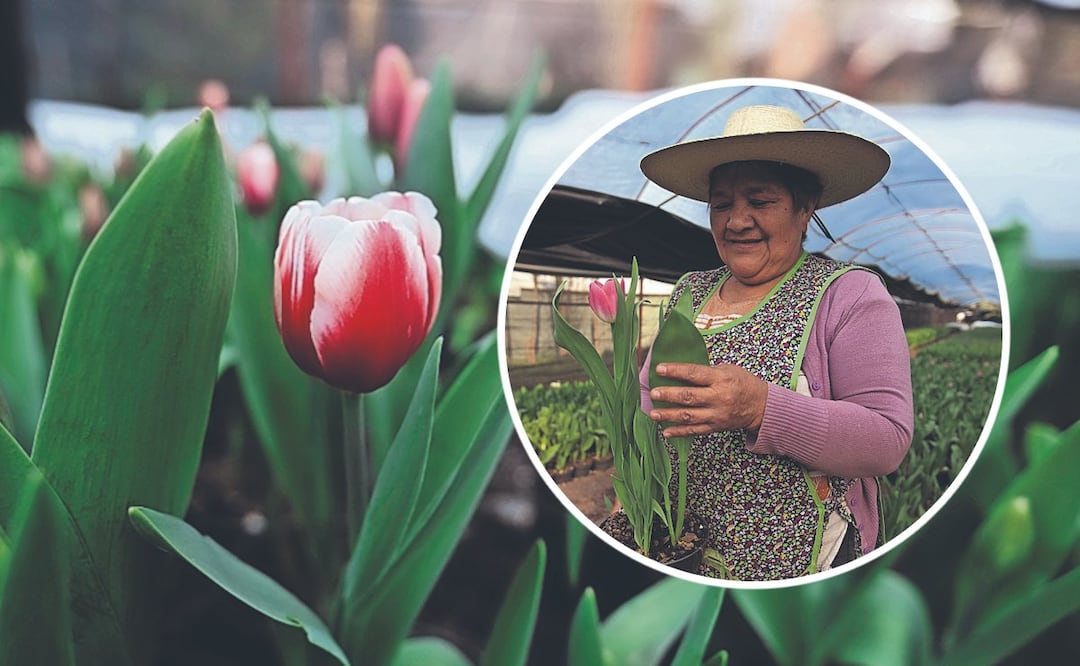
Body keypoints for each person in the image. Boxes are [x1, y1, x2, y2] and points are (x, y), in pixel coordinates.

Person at [637, 104, 913, 581]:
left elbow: (886, 440)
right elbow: (650, 399)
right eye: (722, 204)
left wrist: (762, 408)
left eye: (760, 201)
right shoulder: (689, 291)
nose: (736, 221)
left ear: (806, 208)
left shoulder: (848, 294)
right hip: (683, 541)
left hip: (803, 558)